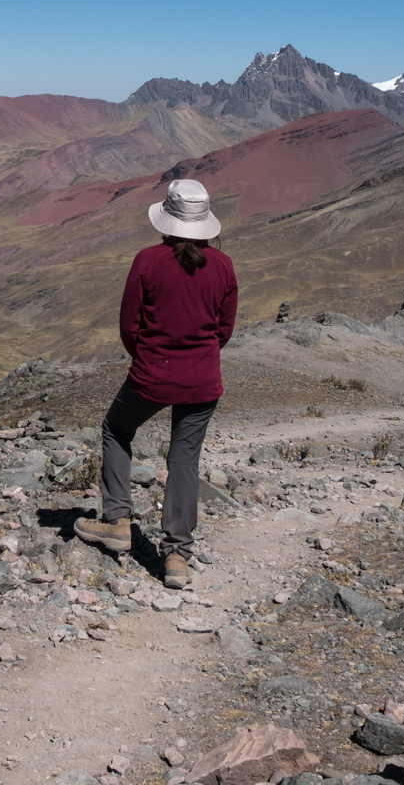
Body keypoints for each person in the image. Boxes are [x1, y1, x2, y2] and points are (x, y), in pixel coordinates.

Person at [74, 178, 238, 589]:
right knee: (184, 460)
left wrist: (150, 357)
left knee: (117, 428)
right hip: (202, 379)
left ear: (167, 219)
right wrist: (196, 356)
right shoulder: (223, 266)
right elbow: (224, 330)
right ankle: (178, 556)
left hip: (152, 374)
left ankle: (116, 521)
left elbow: (130, 325)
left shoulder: (147, 260)